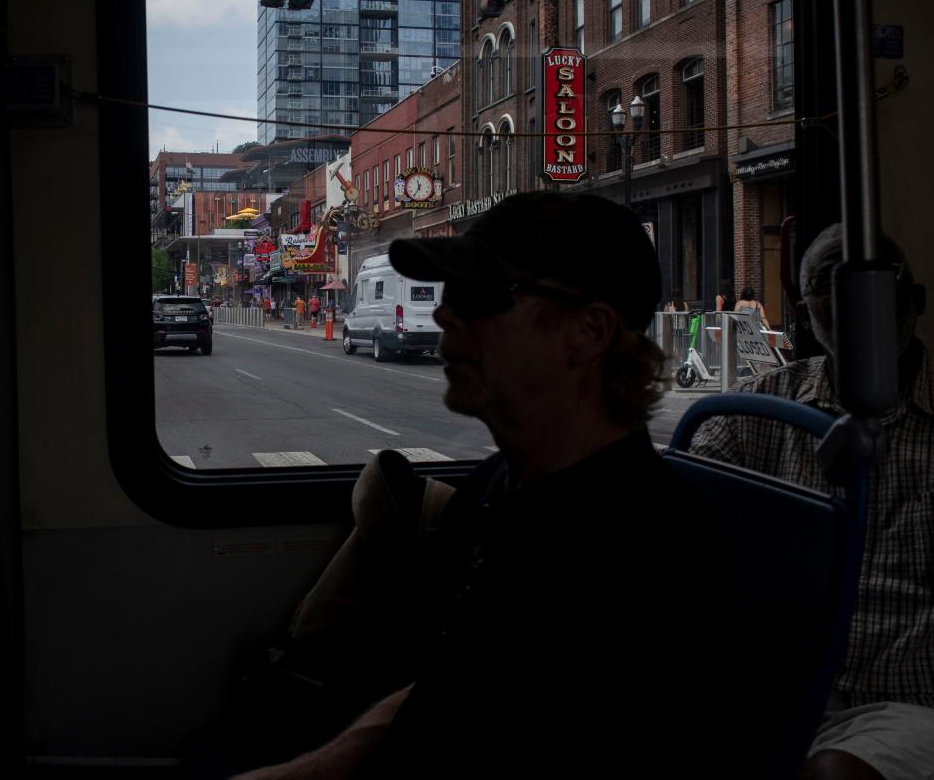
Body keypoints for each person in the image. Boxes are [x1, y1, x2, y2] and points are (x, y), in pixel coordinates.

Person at [230, 192, 771, 780]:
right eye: (445, 294)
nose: (445, 315)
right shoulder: (499, 488)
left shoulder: (640, 554)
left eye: (480, 296)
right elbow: (443, 691)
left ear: (587, 333)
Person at [690, 224, 934, 780]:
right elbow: (683, 520)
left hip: (910, 698)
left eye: (880, 280)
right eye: (831, 282)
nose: (857, 301)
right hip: (778, 684)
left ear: (915, 301)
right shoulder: (757, 410)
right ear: (803, 313)